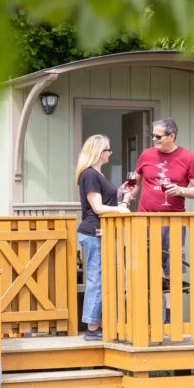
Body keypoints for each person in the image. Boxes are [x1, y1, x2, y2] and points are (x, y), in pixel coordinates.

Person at [127, 118, 194, 321]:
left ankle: (170, 317)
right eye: (153, 135)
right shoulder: (146, 155)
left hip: (173, 223)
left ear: (172, 136)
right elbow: (134, 181)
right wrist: (127, 196)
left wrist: (181, 190)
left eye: (158, 136)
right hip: (146, 221)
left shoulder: (188, 158)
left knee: (172, 270)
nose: (154, 139)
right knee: (145, 267)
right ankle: (145, 314)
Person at [75, 134, 132, 341]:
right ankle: (91, 329)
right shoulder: (90, 174)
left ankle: (94, 325)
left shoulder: (96, 174)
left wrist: (120, 192)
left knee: (98, 278)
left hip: (98, 233)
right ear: (100, 152)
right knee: (96, 279)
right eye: (108, 150)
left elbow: (103, 198)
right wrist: (121, 208)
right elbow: (98, 208)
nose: (110, 153)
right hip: (93, 232)